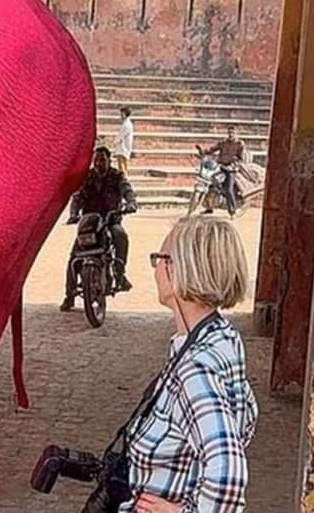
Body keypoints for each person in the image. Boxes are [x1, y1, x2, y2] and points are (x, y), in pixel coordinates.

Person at [122, 216, 258, 512]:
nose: (156, 269)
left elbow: (227, 475)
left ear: (177, 268)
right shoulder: (221, 336)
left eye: (159, 258)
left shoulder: (195, 367)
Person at [60, 146, 137, 311]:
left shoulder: (117, 176)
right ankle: (70, 295)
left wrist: (130, 203)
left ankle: (120, 273)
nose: (99, 163)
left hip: (110, 220)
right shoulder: (87, 177)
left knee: (120, 235)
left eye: (102, 160)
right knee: (74, 257)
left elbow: (127, 190)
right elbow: (78, 196)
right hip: (90, 223)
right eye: (96, 160)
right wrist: (74, 213)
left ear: (109, 161)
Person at [198, 127, 246, 216]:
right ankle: (209, 207)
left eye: (233, 133)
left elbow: (240, 159)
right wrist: (203, 151)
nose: (231, 134)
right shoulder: (223, 143)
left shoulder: (239, 144)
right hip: (221, 167)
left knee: (228, 189)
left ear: (236, 134)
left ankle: (233, 210)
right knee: (210, 185)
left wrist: (231, 166)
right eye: (229, 133)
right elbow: (212, 149)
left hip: (231, 169)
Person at [116, 106, 134, 175]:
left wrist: (114, 142)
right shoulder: (126, 123)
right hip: (123, 148)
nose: (120, 116)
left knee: (122, 166)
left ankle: (124, 180)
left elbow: (120, 136)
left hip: (123, 148)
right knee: (122, 166)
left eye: (121, 114)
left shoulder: (126, 125)